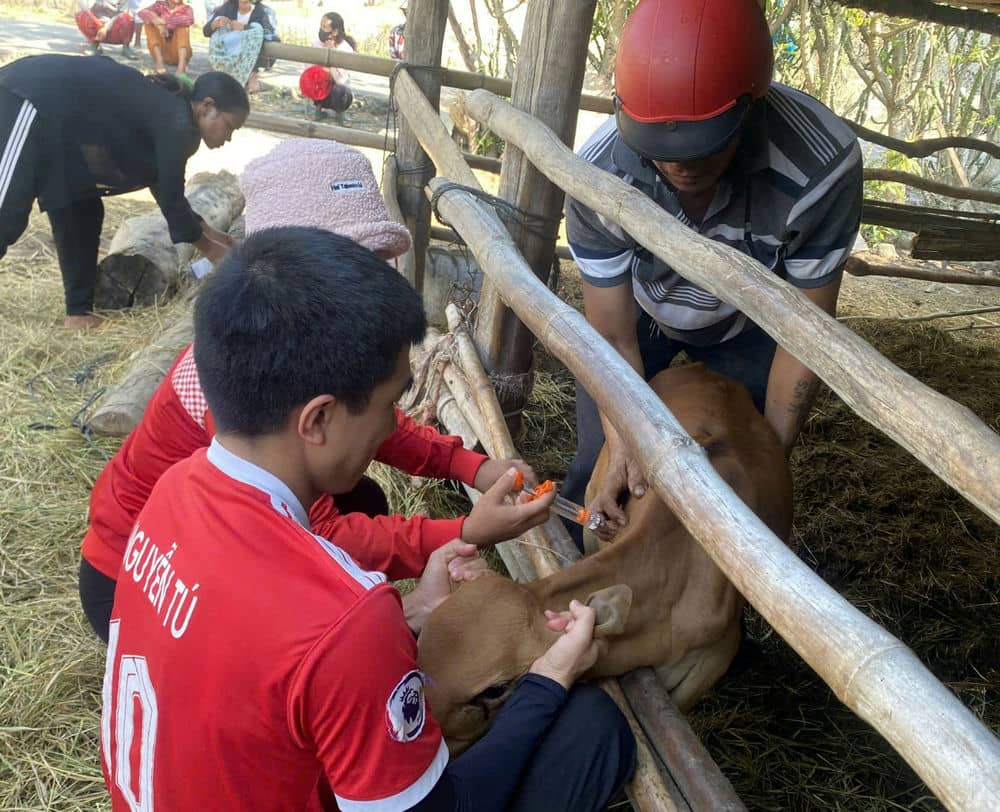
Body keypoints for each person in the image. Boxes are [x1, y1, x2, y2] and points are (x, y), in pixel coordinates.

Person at [100, 227, 636, 811]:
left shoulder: (171, 494)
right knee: (591, 728)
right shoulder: (347, 619)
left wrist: (410, 614)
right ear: (319, 420)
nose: (391, 429)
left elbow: (259, 664)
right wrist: (546, 682)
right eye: (389, 406)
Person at [77, 138, 515, 643]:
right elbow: (319, 534)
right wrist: (463, 532)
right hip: (143, 583)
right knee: (314, 622)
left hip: (210, 544)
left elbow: (368, 414)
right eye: (355, 267)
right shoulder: (252, 373)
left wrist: (471, 467)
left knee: (362, 498)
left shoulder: (287, 339)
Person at [562, 0, 863, 545]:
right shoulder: (598, 173)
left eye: (705, 145)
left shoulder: (821, 166)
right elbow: (609, 335)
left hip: (750, 322)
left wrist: (765, 459)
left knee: (738, 474)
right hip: (642, 311)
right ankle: (574, 570)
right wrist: (623, 445)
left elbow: (805, 334)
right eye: (657, 148)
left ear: (754, 106)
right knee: (597, 465)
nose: (679, 164)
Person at [0, 56, 247, 329]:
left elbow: (167, 194)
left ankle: (78, 313)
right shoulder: (178, 123)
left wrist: (216, 237)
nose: (229, 138)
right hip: (29, 97)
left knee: (81, 206)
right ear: (207, 107)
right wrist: (215, 252)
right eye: (230, 126)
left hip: (60, 127)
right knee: (6, 212)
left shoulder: (173, 116)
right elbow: (173, 203)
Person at [204, 0, 277, 93]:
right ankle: (217, 69)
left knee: (257, 29)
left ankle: (252, 76)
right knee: (219, 30)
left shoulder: (261, 11)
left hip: (247, 53)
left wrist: (245, 28)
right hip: (228, 49)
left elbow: (268, 33)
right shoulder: (228, 7)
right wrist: (215, 24)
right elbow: (206, 31)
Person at [300, 12, 354, 122]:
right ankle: (318, 111)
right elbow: (308, 71)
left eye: (325, 27)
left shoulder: (345, 49)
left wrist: (331, 54)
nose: (321, 29)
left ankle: (340, 114)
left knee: (340, 90)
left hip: (340, 93)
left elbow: (340, 81)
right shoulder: (317, 44)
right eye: (321, 26)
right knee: (317, 78)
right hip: (321, 92)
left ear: (335, 32)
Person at [139, 0, 195, 77]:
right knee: (149, 22)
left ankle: (181, 67)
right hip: (162, 50)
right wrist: (157, 22)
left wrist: (163, 23)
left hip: (179, 54)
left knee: (182, 27)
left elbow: (189, 20)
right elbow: (142, 13)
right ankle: (160, 62)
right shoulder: (159, 5)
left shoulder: (187, 8)